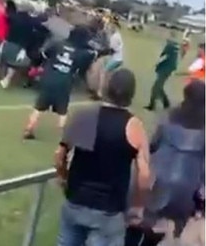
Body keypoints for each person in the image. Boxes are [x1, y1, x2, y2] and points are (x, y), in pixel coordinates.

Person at [55, 69, 151, 246]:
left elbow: (59, 155)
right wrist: (138, 206)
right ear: (131, 95)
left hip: (76, 200)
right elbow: (144, 176)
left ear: (107, 89)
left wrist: (62, 177)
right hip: (109, 209)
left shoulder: (84, 116)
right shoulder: (134, 126)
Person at [125, 80, 205, 246]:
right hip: (187, 189)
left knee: (143, 219)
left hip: (160, 182)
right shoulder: (204, 128)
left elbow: (153, 145)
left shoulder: (168, 117)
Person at [23, 26, 112, 139]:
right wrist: (109, 51)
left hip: (48, 79)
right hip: (64, 84)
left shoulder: (58, 44)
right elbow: (97, 53)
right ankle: (64, 137)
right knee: (62, 111)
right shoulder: (82, 53)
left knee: (39, 107)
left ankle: (29, 129)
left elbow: (42, 56)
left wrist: (35, 65)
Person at [144, 30, 181, 111]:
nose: (165, 36)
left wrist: (155, 64)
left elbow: (164, 57)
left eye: (166, 34)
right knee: (160, 86)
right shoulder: (176, 45)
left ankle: (152, 105)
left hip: (165, 69)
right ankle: (166, 102)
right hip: (169, 69)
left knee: (155, 87)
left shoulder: (169, 46)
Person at [96, 17, 123, 100]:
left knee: (103, 72)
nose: (109, 27)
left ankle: (99, 93)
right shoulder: (117, 35)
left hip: (116, 59)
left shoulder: (114, 37)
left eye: (111, 26)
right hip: (118, 59)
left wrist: (100, 53)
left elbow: (112, 50)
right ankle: (109, 91)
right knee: (108, 74)